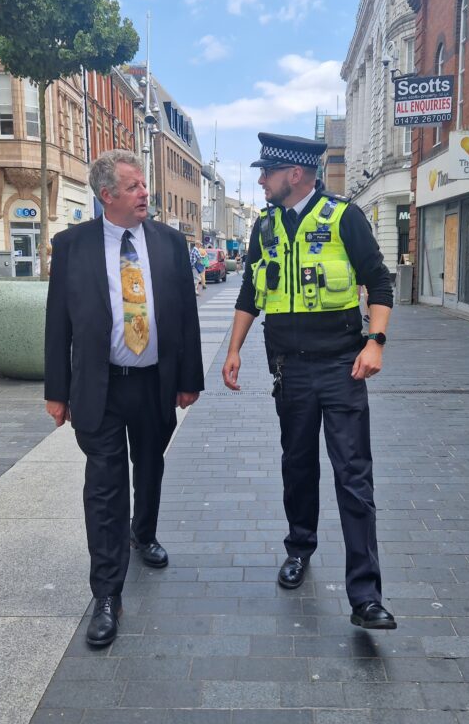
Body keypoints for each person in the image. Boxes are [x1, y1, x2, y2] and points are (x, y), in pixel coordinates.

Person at [221, 132, 397, 631]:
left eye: (266, 172)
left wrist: (375, 342)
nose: (260, 180)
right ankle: (300, 548)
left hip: (343, 367)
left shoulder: (344, 217)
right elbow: (251, 292)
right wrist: (233, 349)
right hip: (289, 370)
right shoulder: (265, 226)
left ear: (293, 174)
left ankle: (365, 596)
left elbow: (379, 282)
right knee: (297, 467)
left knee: (353, 478)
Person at [45, 149, 204, 648]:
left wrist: (189, 378)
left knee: (150, 464)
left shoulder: (170, 243)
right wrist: (57, 391)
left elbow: (184, 317)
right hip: (101, 386)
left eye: (144, 185)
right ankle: (107, 594)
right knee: (105, 488)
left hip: (155, 380)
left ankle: (145, 533)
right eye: (134, 187)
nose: (144, 193)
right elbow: (58, 323)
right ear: (106, 195)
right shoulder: (72, 245)